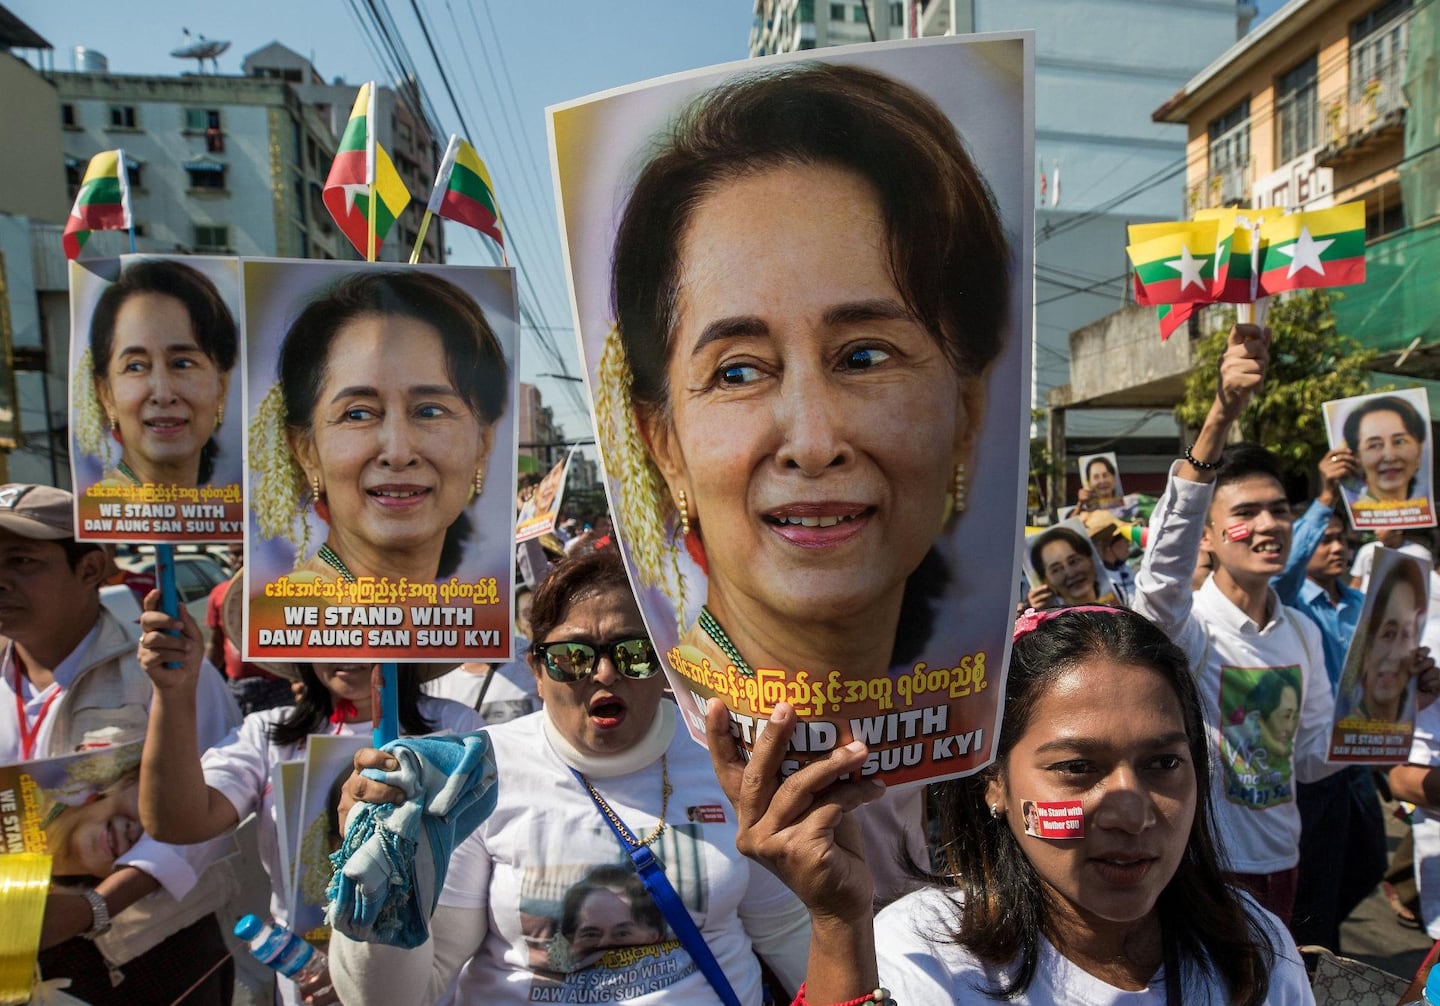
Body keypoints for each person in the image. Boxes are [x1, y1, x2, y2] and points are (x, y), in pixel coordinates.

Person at [594, 60, 1010, 900]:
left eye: (864, 357)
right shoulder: (629, 744)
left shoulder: (1016, 722)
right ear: (662, 441)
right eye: (739, 371)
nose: (812, 444)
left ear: (966, 410)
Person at [705, 605, 1313, 1004]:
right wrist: (839, 926)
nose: (1131, 812)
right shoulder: (921, 955)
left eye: (1163, 764)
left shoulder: (1254, 947)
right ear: (994, 782)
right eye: (1077, 768)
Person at [329, 547, 810, 1005]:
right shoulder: (479, 776)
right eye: (572, 657)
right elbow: (398, 995)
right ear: (536, 671)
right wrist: (384, 880)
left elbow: (786, 932)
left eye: (633, 653)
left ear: (664, 664)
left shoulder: (722, 760)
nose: (604, 673)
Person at [135, 584, 480, 1006]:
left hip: (422, 978)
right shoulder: (268, 734)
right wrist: (172, 692)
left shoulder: (453, 727)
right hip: (305, 978)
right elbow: (176, 822)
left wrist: (363, 971)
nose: (347, 641)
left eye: (368, 624)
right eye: (325, 624)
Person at [1131, 326, 1342, 926]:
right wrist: (1220, 416)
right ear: (1209, 536)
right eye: (1245, 513)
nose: (1270, 525)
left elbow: (1310, 760)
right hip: (1207, 868)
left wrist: (1389, 699)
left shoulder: (1301, 632)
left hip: (1285, 861)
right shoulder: (1190, 630)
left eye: (1279, 509)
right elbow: (1159, 581)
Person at [0, 483, 241, 1005]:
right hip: (16, 955)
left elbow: (215, 814)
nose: (2, 581)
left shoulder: (169, 673)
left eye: (21, 561)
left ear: (90, 569)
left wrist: (96, 907)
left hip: (153, 954)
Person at [250, 270, 509, 585]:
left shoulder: (486, 624)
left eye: (429, 411)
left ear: (483, 444)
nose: (398, 452)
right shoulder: (283, 627)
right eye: (358, 414)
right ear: (306, 451)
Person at [1271, 449, 1390, 951]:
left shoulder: (1362, 603)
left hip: (1359, 754)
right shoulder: (1290, 602)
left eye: (1343, 537)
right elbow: (1283, 570)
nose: (1336, 545)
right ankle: (1309, 957)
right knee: (1317, 873)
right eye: (1325, 537)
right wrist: (1323, 498)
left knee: (1370, 861)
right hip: (1311, 763)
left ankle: (1316, 946)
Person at [74, 258, 238, 489]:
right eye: (136, 367)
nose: (162, 393)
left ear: (222, 385)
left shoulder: (245, 517)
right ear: (105, 394)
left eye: (182, 364)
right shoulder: (95, 517)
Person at [1335, 551, 1428, 725]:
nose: (1395, 654)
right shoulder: (1336, 728)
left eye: (1407, 634)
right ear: (1366, 646)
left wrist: (1420, 700)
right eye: (1388, 634)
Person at [1342, 394, 1428, 505]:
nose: (1390, 457)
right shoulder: (1338, 517)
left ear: (1419, 450)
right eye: (1375, 445)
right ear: (1357, 457)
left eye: (1399, 442)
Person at [1026, 525, 1114, 610]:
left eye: (1073, 561)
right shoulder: (1047, 621)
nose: (1070, 573)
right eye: (1056, 569)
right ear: (1046, 582)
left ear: (1091, 560)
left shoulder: (1122, 595)